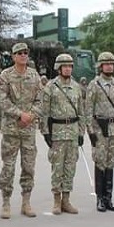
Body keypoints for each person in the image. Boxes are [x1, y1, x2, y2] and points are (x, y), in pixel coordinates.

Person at [0, 42, 42, 218]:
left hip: (28, 129)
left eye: (25, 52)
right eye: (19, 53)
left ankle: (26, 202)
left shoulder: (34, 75)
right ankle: (6, 202)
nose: (23, 55)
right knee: (8, 166)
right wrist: (19, 115)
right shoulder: (6, 76)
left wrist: (30, 116)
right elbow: (2, 100)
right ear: (14, 56)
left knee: (29, 166)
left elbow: (41, 100)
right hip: (11, 129)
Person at [39, 53, 85, 215]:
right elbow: (44, 112)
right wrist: (45, 132)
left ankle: (66, 200)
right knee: (57, 167)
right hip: (57, 132)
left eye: (70, 66)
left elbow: (81, 111)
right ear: (58, 68)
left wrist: (81, 132)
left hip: (72, 131)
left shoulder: (77, 87)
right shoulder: (50, 87)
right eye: (64, 66)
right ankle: (57, 201)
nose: (68, 69)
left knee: (70, 167)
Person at [85, 51, 114, 213]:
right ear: (101, 66)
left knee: (111, 162)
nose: (109, 66)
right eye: (106, 63)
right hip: (100, 129)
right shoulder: (94, 85)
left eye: (111, 63)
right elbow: (88, 110)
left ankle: (108, 198)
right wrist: (90, 132)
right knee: (100, 162)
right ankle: (100, 199)